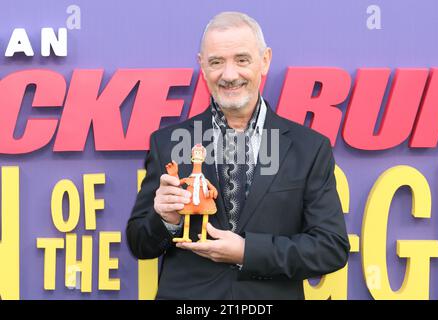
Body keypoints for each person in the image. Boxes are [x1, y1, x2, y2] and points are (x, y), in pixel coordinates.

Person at [126, 11, 350, 300]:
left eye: (242, 60)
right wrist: (167, 220)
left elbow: (330, 248)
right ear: (202, 66)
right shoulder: (167, 143)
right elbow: (139, 244)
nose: (229, 75)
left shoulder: (309, 148)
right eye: (216, 62)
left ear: (265, 60)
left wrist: (247, 252)